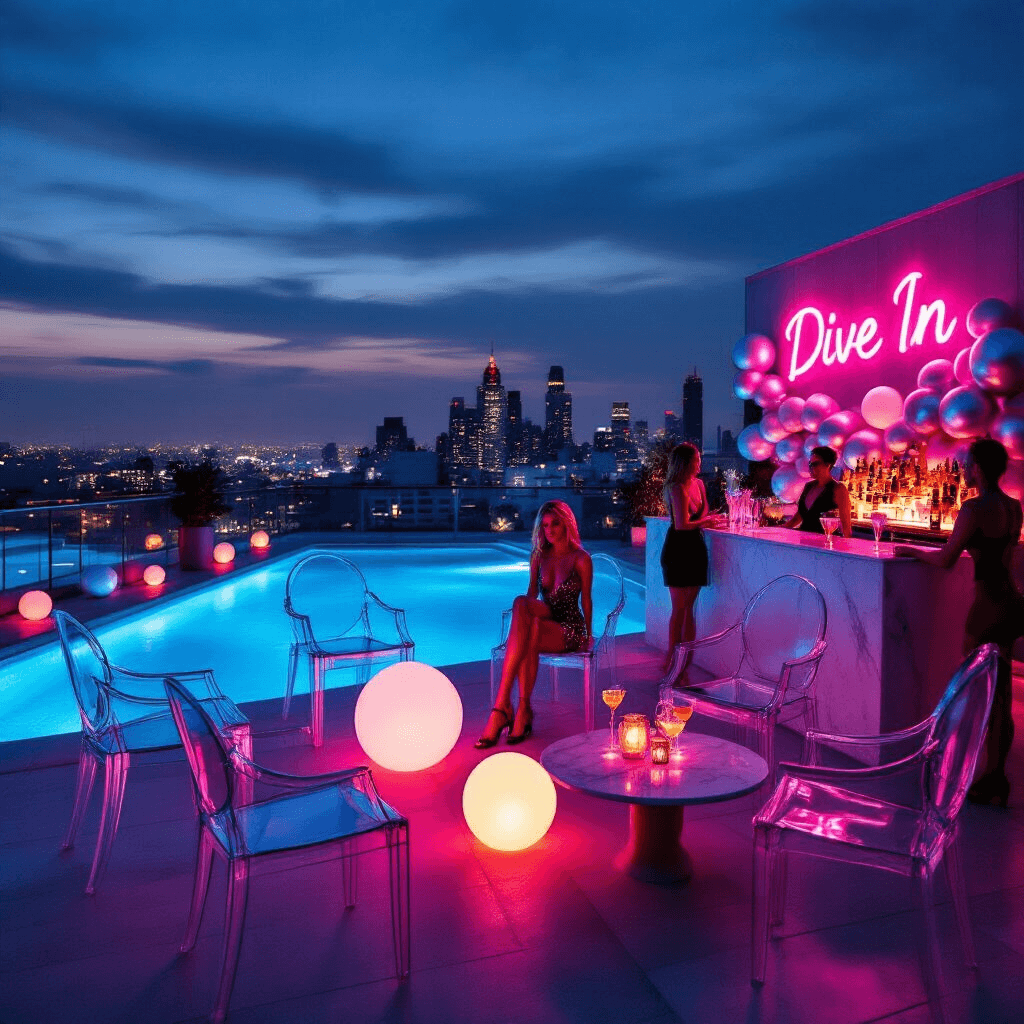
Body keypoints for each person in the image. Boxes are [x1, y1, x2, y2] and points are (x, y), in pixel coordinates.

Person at [895, 438, 1023, 807]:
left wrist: (909, 550)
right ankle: (995, 775)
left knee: (978, 694)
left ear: (979, 468)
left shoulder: (973, 507)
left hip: (987, 608)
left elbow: (947, 558)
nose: (964, 469)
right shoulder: (1014, 507)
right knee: (1001, 697)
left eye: (967, 463)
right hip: (1013, 603)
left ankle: (978, 773)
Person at [475, 500, 593, 748]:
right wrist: (523, 622)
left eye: (555, 524)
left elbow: (586, 600)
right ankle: (519, 709)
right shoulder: (539, 556)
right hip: (545, 618)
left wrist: (589, 635)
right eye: (545, 525)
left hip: (568, 628)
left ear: (567, 525)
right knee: (524, 609)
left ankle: (503, 708)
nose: (549, 530)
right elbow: (531, 595)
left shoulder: (580, 558)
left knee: (532, 629)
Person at [659, 443, 724, 678]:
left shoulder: (699, 484)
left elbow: (700, 517)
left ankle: (683, 664)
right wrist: (707, 522)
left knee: (689, 611)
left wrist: (711, 519)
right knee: (679, 609)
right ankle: (672, 662)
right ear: (687, 462)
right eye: (697, 459)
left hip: (695, 548)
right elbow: (681, 525)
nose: (700, 463)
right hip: (678, 549)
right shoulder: (676, 486)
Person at [784, 446, 853, 538]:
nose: (811, 467)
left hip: (826, 543)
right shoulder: (808, 486)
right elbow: (797, 518)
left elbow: (846, 526)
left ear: (828, 465)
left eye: (815, 464)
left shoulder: (838, 489)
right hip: (804, 542)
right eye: (810, 464)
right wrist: (774, 530)